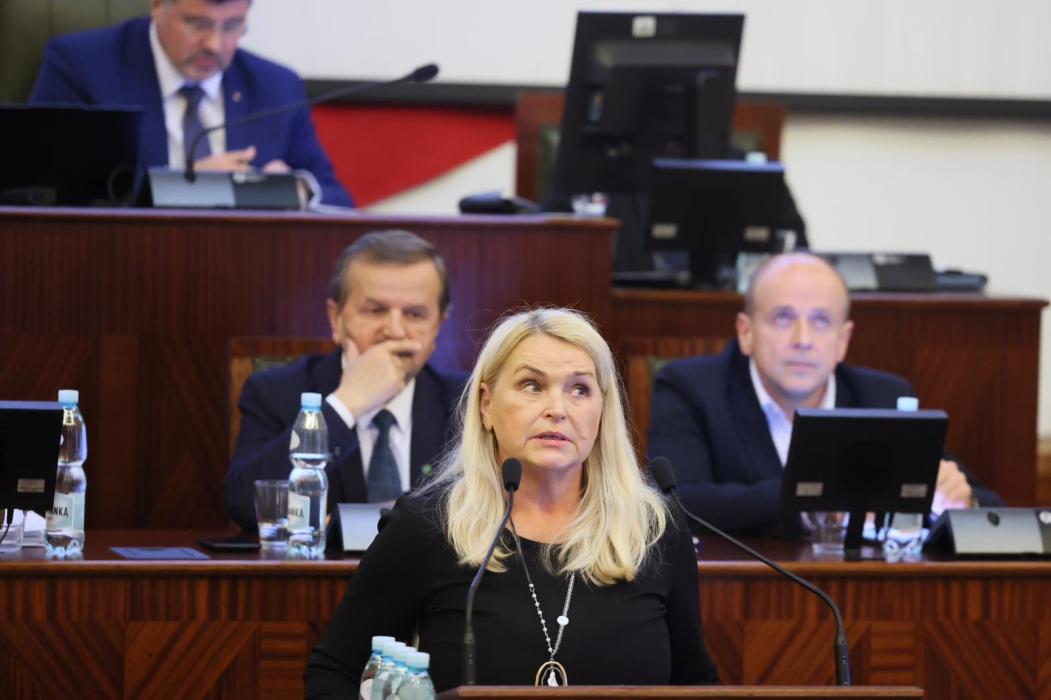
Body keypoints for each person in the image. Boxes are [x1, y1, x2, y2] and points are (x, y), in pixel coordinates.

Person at [304, 308, 720, 694]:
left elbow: (695, 682)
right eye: (531, 386)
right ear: (486, 405)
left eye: (579, 389)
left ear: (602, 412)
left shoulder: (653, 530)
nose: (557, 409)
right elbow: (334, 671)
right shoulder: (428, 526)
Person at [647, 252, 1004, 536]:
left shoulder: (882, 397)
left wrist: (963, 498)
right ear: (746, 332)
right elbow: (675, 504)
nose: (803, 340)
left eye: (821, 321)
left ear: (843, 340)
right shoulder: (692, 389)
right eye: (783, 318)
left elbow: (993, 509)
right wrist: (816, 499)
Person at [224, 230, 465, 531]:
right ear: (336, 318)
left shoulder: (467, 403)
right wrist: (345, 405)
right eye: (375, 310)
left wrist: (335, 524)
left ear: (438, 324)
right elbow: (247, 504)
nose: (394, 330)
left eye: (415, 314)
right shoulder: (276, 392)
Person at [28, 0, 353, 207]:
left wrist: (299, 189)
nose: (215, 44)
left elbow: (339, 199)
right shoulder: (82, 67)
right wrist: (182, 186)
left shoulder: (276, 86)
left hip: (240, 270)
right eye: (198, 24)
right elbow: (41, 189)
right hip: (119, 265)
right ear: (157, 5)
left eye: (232, 26)